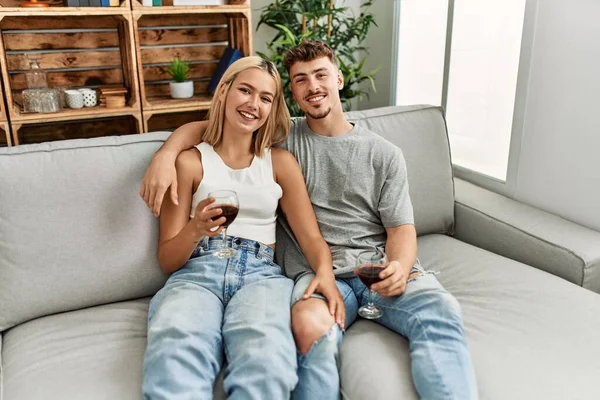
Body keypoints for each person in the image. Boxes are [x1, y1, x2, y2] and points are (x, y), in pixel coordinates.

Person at [140, 41, 477, 400]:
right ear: (294, 93)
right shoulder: (285, 138)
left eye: (321, 75)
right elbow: (220, 127)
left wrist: (399, 265)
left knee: (441, 311)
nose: (313, 86)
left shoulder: (381, 154)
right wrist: (167, 153)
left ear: (339, 79)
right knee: (293, 329)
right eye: (300, 80)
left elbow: (400, 229)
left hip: (351, 268)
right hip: (274, 272)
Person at [142, 56, 344, 400]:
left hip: (261, 275)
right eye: (245, 91)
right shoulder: (189, 162)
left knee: (267, 362)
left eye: (265, 98)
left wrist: (325, 273)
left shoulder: (280, 163)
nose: (253, 104)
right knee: (175, 350)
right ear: (224, 91)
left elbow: (311, 236)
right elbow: (167, 260)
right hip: (196, 273)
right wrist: (195, 229)